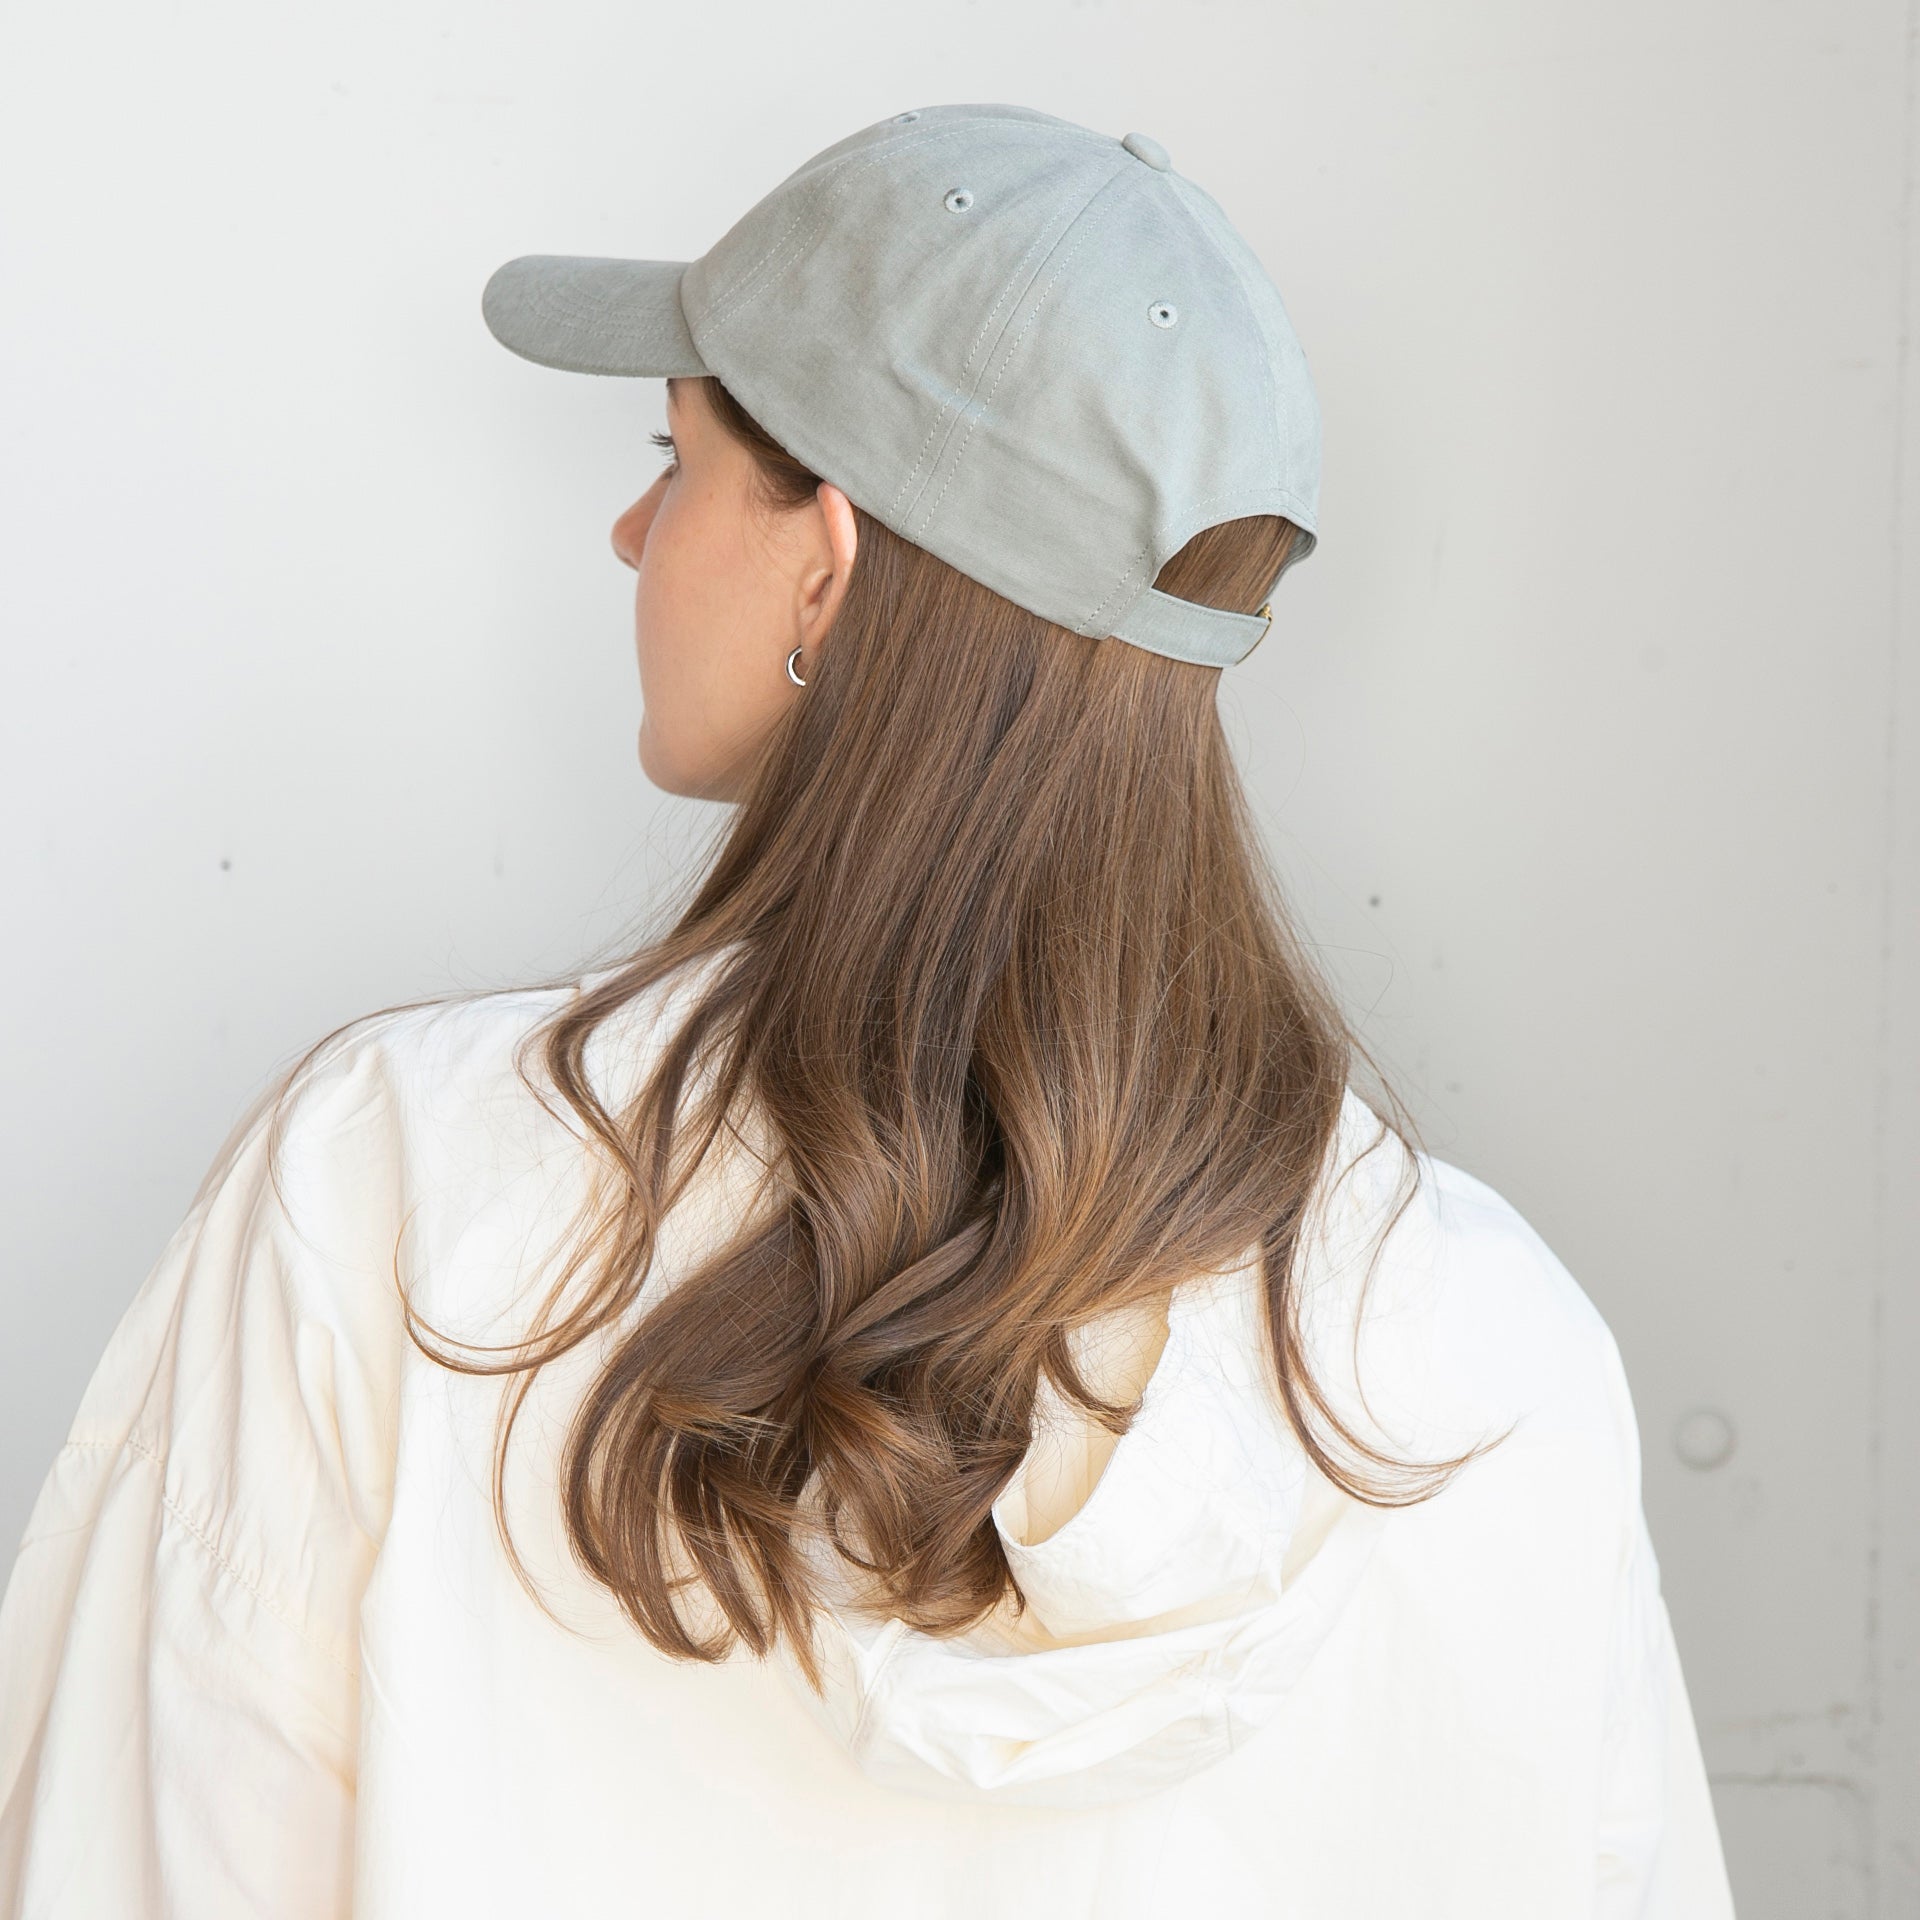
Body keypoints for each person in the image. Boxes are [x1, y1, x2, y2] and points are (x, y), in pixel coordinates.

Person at [0, 102, 1737, 1917]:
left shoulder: (396, 1193)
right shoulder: (1485, 1351)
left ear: (825, 559)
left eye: (671, 458)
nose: (630, 532)